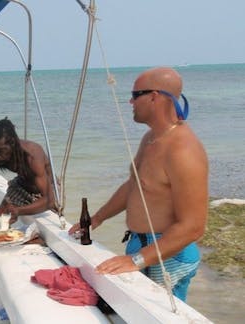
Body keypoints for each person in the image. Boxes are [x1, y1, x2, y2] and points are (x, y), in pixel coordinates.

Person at [69, 67, 208, 302]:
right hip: (142, 246)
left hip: (168, 254)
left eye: (135, 95)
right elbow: (135, 186)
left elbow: (194, 227)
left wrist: (137, 259)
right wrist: (97, 219)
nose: (130, 101)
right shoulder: (151, 138)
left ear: (154, 96)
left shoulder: (183, 149)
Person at [0, 118, 56, 224]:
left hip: (47, 190)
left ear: (12, 143)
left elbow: (49, 200)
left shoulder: (32, 156)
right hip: (22, 184)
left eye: (0, 151)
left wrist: (18, 211)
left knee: (49, 227)